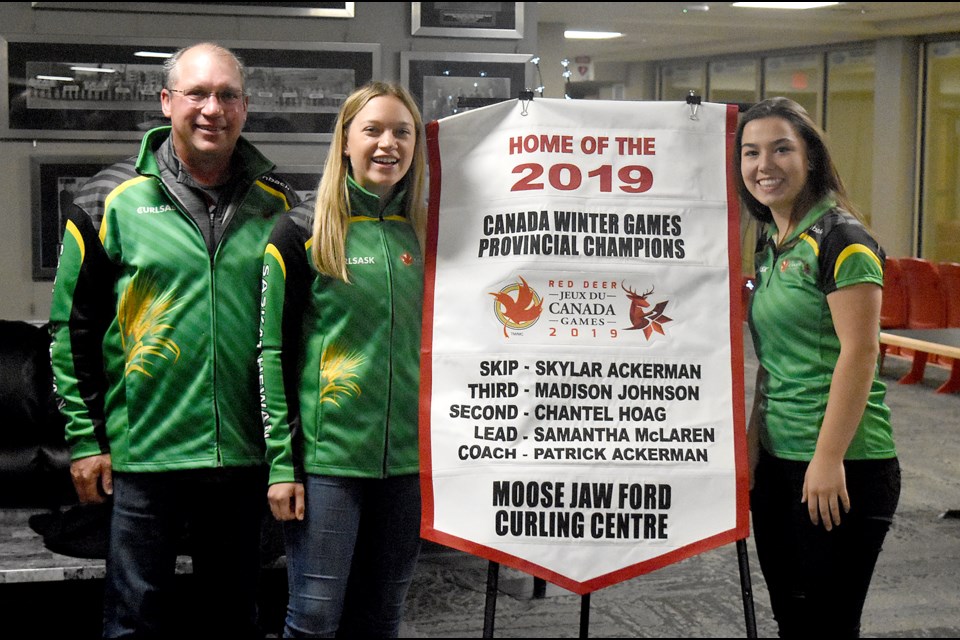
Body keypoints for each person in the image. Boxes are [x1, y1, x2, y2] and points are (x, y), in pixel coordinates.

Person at [49, 42, 299, 637]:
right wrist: (85, 442)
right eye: (197, 93)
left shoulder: (280, 206)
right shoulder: (105, 200)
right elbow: (70, 328)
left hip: (243, 458)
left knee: (234, 620)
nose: (212, 108)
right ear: (167, 102)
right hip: (145, 457)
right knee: (134, 622)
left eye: (227, 95)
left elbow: (295, 333)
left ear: (246, 107)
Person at [258, 81, 426, 638]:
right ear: (346, 141)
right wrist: (282, 463)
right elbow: (271, 353)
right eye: (372, 130)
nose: (388, 144)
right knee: (313, 619)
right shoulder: (302, 232)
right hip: (329, 465)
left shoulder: (429, 235)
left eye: (403, 132)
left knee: (382, 618)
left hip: (409, 466)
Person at [737, 97, 900, 638]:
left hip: (843, 462)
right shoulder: (772, 244)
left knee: (827, 625)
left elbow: (860, 353)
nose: (765, 165)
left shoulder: (841, 240)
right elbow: (773, 362)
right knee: (793, 618)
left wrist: (828, 460)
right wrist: (754, 446)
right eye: (751, 152)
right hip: (782, 462)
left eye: (782, 148)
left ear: (811, 156)